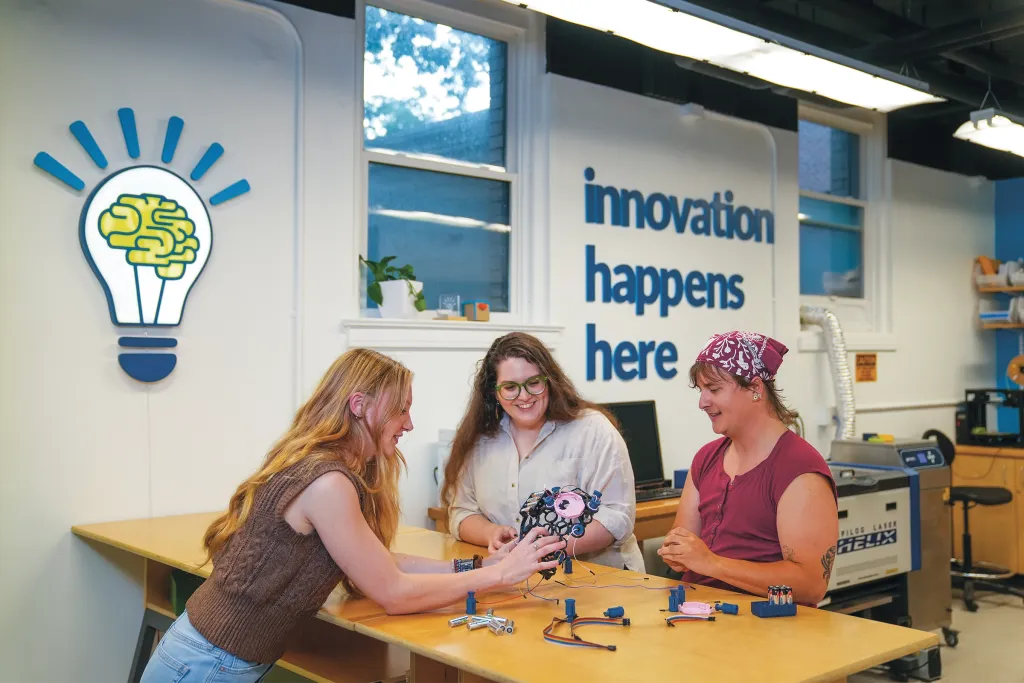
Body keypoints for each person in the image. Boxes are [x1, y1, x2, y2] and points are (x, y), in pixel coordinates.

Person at [140, 348, 564, 682]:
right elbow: (393, 592)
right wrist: (499, 576)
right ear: (359, 405)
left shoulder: (322, 467)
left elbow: (376, 562)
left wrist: (476, 566)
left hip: (209, 657)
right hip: (206, 665)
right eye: (401, 410)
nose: (409, 424)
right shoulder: (327, 482)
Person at [657, 331, 838, 606]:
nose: (702, 402)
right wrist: (678, 553)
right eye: (701, 391)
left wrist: (713, 564)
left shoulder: (800, 471)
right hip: (700, 614)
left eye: (714, 389)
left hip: (764, 624)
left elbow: (810, 586)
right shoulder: (706, 459)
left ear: (755, 388)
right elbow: (683, 544)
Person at [441, 332, 645, 573]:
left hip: (599, 580)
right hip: (514, 580)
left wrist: (548, 548)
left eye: (534, 383)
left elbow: (617, 517)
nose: (524, 396)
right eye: (510, 387)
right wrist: (491, 532)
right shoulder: (480, 439)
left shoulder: (593, 430)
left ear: (550, 381)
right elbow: (462, 512)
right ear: (494, 392)